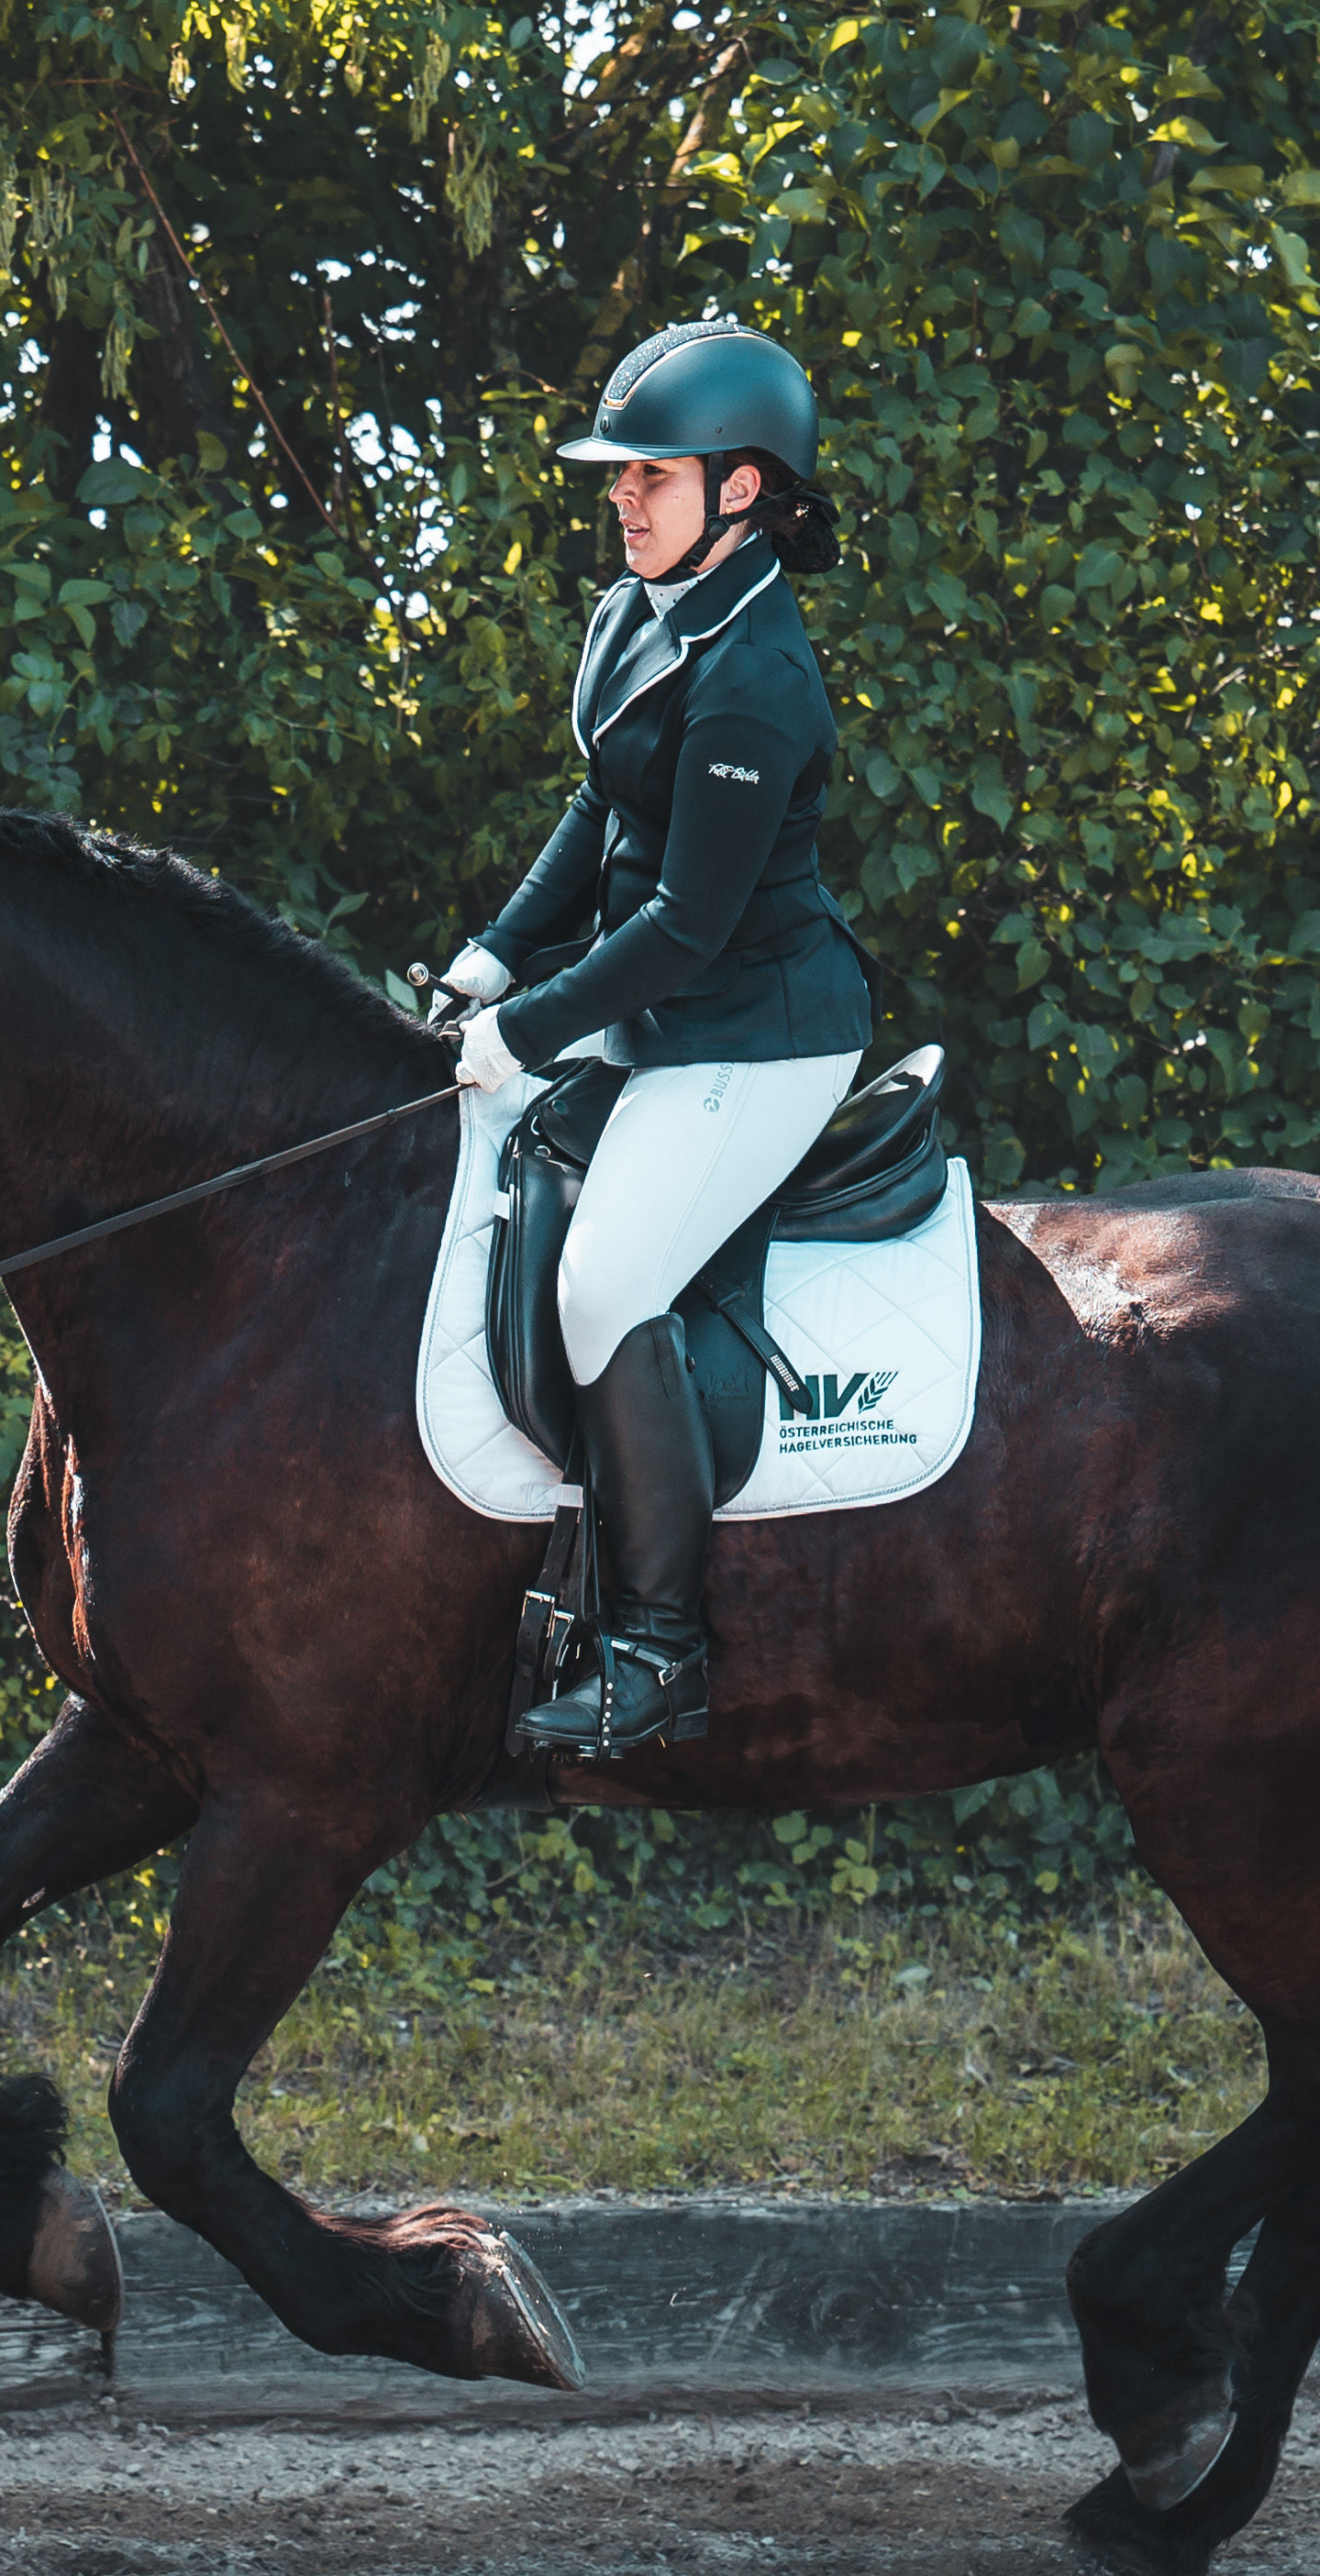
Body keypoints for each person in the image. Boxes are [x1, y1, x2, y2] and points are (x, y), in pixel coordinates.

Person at [445, 319, 873, 1755]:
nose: (619, 497)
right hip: (653, 1013)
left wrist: (529, 1024)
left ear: (740, 490)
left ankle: (661, 1655)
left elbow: (687, 922)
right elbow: (598, 811)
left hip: (756, 1033)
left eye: (651, 476)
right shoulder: (635, 610)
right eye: (615, 477)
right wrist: (497, 947)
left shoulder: (760, 675)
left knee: (604, 1284)